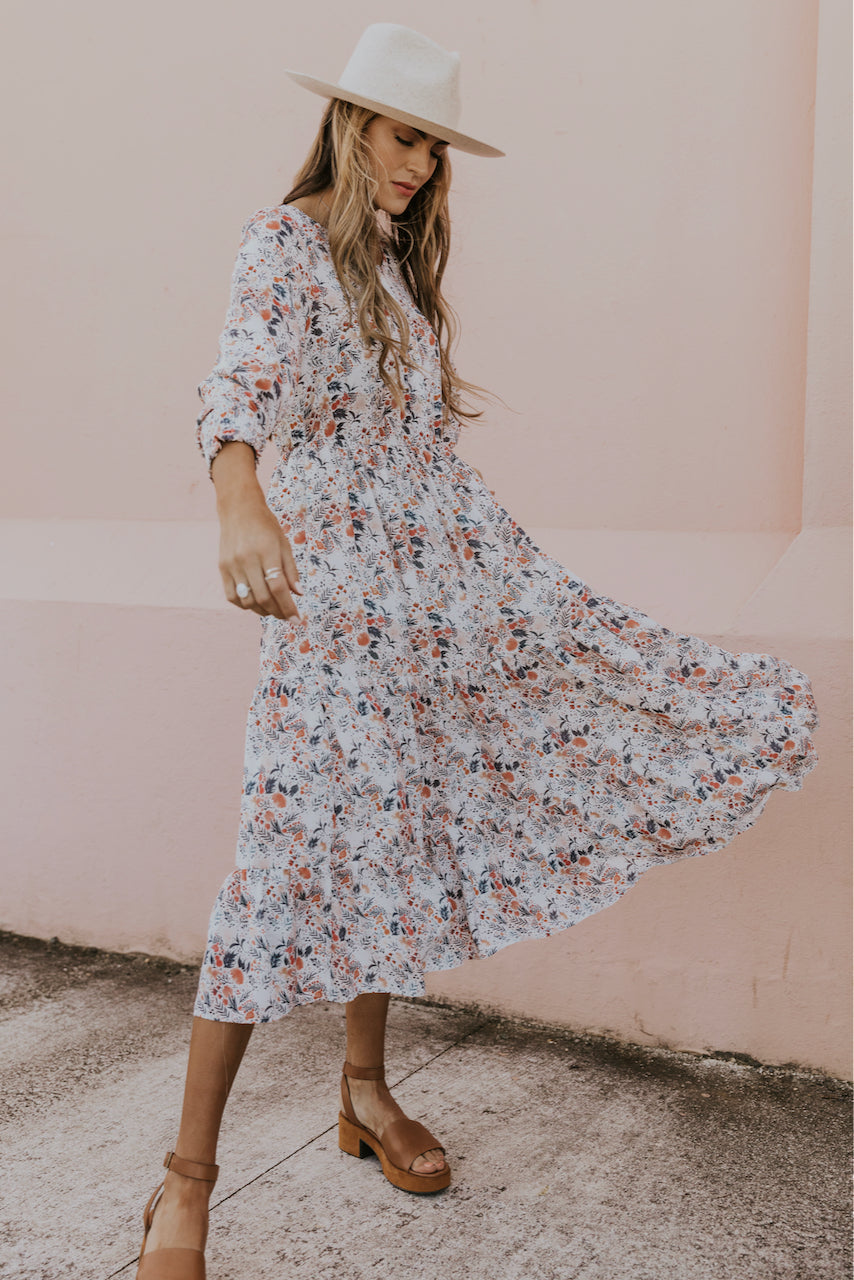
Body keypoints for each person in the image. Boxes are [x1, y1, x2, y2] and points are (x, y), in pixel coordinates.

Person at [134, 22, 820, 1279]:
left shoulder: (395, 270)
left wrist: (497, 597)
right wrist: (240, 498)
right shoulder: (280, 243)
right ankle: (186, 1181)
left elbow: (422, 458)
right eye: (405, 137)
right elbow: (233, 388)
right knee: (282, 860)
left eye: (435, 148)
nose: (420, 167)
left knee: (397, 838)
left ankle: (363, 1089)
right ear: (350, 121)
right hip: (334, 606)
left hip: (442, 592)